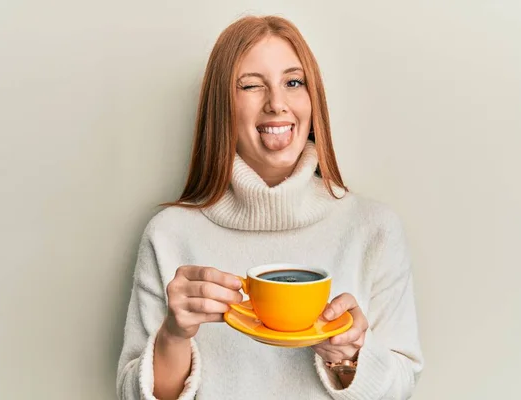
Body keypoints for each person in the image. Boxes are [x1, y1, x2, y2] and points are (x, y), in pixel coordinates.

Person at [117, 15, 423, 400]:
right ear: (222, 106)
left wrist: (347, 357)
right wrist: (174, 335)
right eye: (250, 86)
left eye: (293, 83)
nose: (277, 104)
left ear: (314, 99)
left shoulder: (374, 227)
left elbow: (402, 385)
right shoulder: (168, 234)